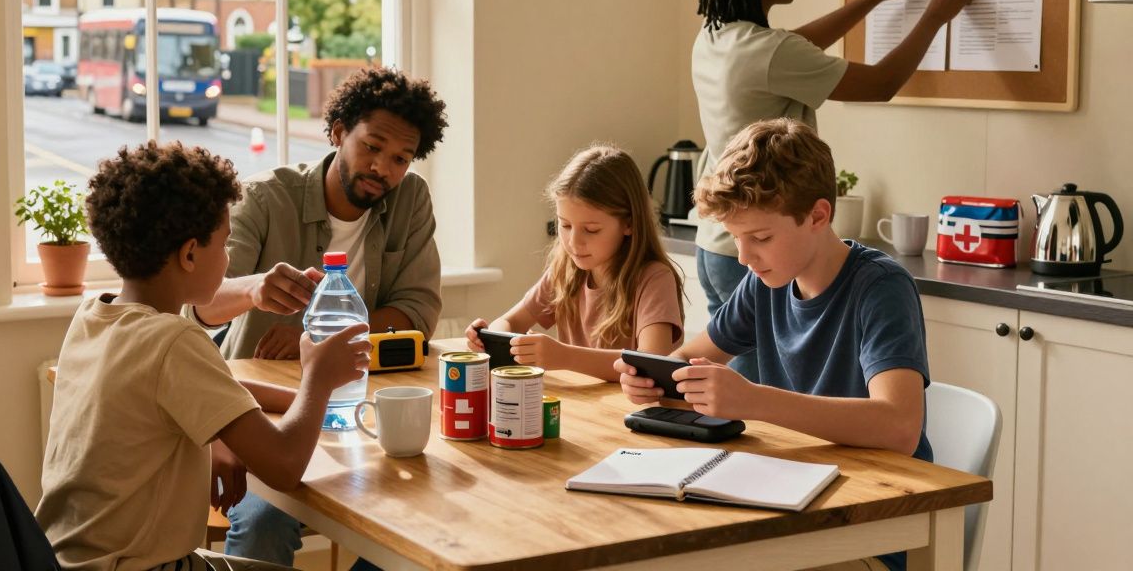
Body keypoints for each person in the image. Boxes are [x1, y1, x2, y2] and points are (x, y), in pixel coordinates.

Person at [37, 141, 370, 571]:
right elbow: (285, 466)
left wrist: (309, 402)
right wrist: (317, 380)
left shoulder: (96, 315)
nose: (229, 258)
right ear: (190, 253)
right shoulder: (173, 340)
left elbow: (215, 390)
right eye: (225, 244)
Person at [615, 118, 932, 571]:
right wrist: (654, 377)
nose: (744, 257)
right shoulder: (765, 282)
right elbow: (687, 358)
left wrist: (753, 401)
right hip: (790, 502)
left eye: (760, 238)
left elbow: (900, 427)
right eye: (737, 238)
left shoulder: (881, 288)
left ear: (818, 216)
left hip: (868, 533)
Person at [688, 0, 971, 382]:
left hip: (720, 241)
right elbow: (881, 82)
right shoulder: (769, 53)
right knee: (759, 403)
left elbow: (793, 45)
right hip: (763, 239)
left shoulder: (717, 37)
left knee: (740, 392)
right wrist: (934, 16)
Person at [190, 65, 448, 565]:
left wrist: (324, 337)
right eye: (372, 147)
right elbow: (201, 304)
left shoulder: (410, 199)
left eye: (400, 158)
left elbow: (417, 314)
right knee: (264, 522)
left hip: (367, 410)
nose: (384, 168)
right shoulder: (265, 197)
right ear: (336, 133)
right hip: (264, 414)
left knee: (433, 519)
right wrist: (253, 290)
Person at [465, 145, 684, 381]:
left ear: (629, 224)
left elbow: (650, 363)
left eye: (591, 230)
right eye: (565, 225)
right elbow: (508, 321)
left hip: (634, 411)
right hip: (581, 409)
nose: (574, 242)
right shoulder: (565, 270)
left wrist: (565, 357)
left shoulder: (654, 278)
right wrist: (494, 340)